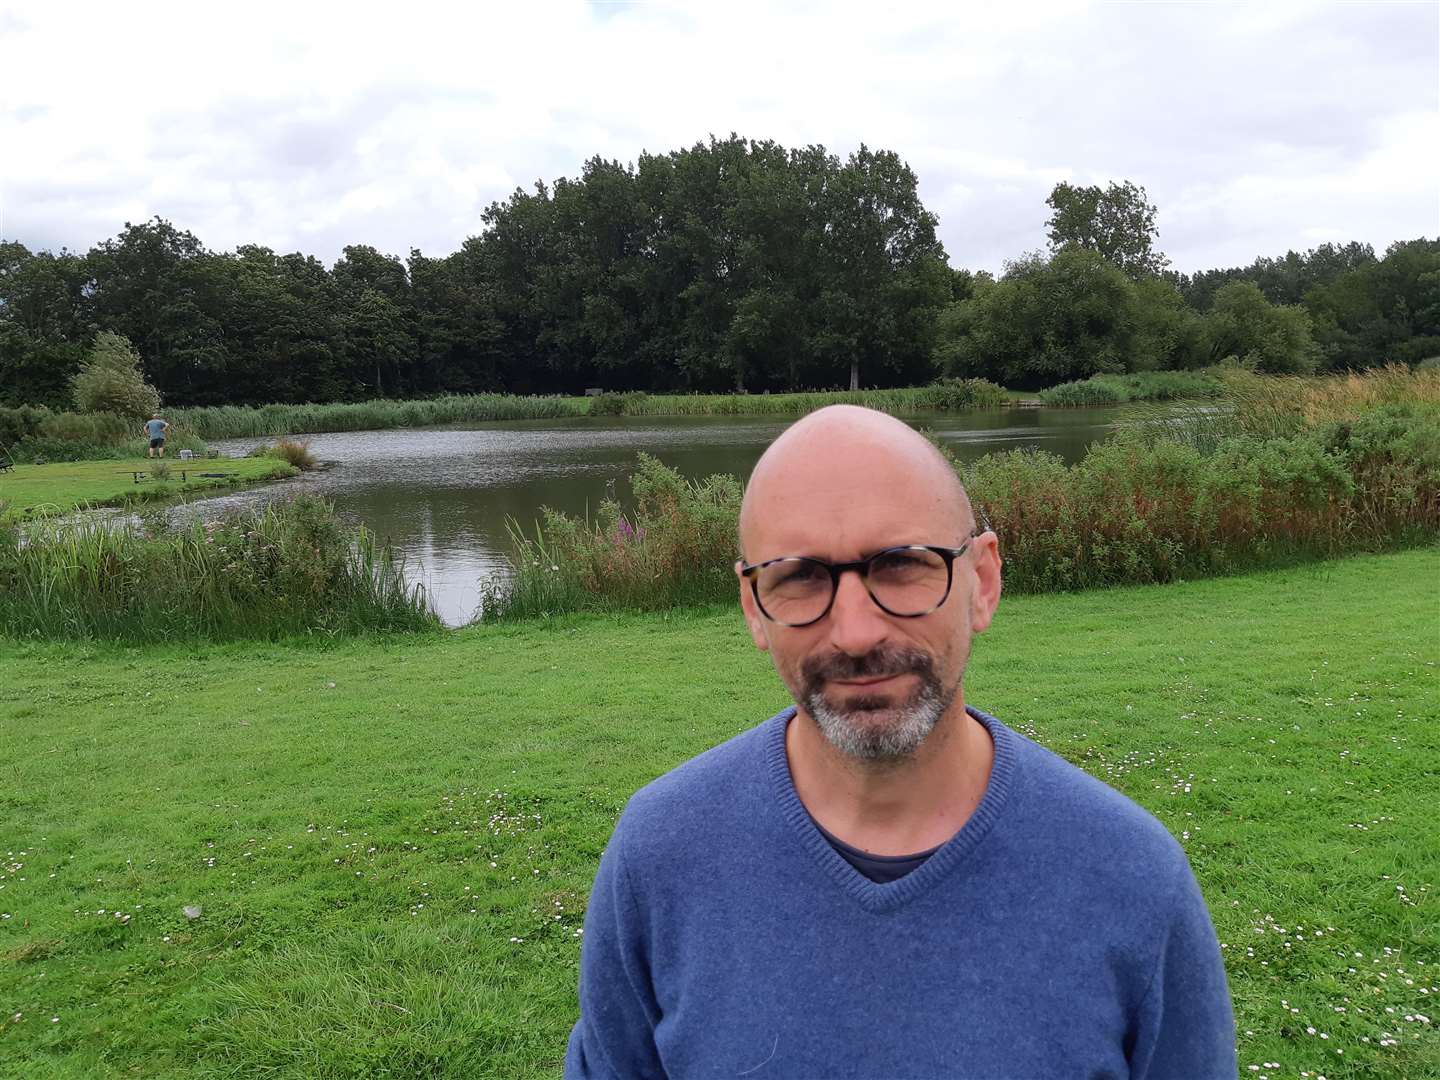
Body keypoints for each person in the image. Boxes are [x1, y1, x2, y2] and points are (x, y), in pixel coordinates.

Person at [565, 405, 1236, 1079]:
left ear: (984, 580)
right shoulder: (658, 856)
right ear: (753, 606)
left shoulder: (1134, 879)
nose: (855, 633)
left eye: (900, 565)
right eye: (800, 577)